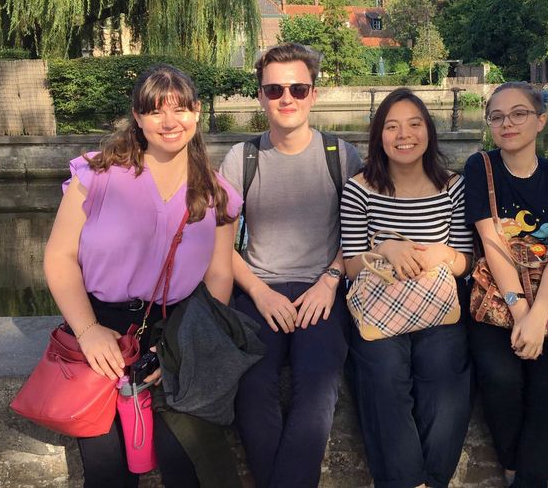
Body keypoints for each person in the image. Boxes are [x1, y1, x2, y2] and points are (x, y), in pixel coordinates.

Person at [43, 64, 240, 487]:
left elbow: (220, 275)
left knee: (183, 458)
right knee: (106, 465)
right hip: (100, 329)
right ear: (137, 116)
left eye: (181, 109)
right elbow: (59, 257)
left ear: (198, 112)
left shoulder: (216, 193)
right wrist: (88, 330)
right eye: (155, 111)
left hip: (176, 331)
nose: (170, 122)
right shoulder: (96, 176)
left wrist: (186, 347)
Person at [219, 43, 362, 488]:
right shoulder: (241, 158)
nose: (287, 98)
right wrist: (259, 292)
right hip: (259, 289)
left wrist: (330, 280)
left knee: (317, 389)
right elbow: (220, 246)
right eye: (275, 89)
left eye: (298, 88)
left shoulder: (343, 156)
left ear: (313, 94)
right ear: (260, 96)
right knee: (252, 387)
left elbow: (361, 234)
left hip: (324, 287)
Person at [340, 88, 475, 488]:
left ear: (428, 132)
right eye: (392, 126)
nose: (404, 135)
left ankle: (431, 480)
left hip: (438, 304)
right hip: (378, 306)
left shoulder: (454, 186)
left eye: (415, 124)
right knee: (382, 376)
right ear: (378, 135)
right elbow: (350, 266)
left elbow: (468, 261)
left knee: (445, 376)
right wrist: (383, 247)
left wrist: (443, 256)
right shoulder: (359, 188)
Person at [463, 81, 548, 488]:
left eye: (518, 114)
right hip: (496, 299)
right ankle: (514, 470)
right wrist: (520, 313)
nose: (507, 123)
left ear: (541, 121)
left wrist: (539, 317)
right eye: (497, 116)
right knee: (501, 379)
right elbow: (491, 243)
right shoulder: (481, 168)